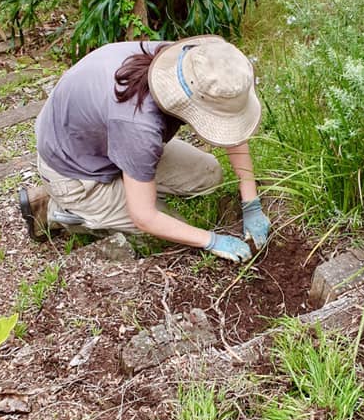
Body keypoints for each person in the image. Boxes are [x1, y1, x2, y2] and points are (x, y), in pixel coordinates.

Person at [19, 35, 270, 263]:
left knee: (208, 174)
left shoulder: (185, 64)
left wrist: (251, 202)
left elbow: (229, 123)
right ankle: (58, 210)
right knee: (169, 234)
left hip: (101, 142)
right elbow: (144, 217)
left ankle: (125, 184)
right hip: (73, 169)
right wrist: (211, 240)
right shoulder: (139, 125)